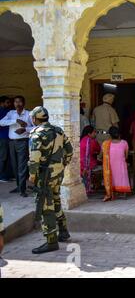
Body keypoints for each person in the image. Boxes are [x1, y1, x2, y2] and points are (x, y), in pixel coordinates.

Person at [28, 106, 73, 254]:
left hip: (44, 176)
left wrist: (32, 177)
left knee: (45, 207)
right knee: (56, 200)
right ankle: (64, 231)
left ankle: (51, 241)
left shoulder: (36, 134)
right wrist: (62, 165)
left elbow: (34, 158)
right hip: (57, 173)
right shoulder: (58, 130)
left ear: (35, 119)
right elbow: (69, 150)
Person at [0, 96, 34, 197]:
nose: (17, 104)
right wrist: (16, 120)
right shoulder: (11, 114)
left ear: (23, 103)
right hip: (12, 142)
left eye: (20, 102)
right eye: (15, 102)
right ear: (13, 103)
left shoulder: (28, 114)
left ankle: (23, 188)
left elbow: (35, 127)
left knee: (22, 166)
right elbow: (1, 122)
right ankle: (19, 186)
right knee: (14, 165)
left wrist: (25, 129)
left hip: (23, 142)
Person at [101, 126, 131, 202]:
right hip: (121, 166)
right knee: (122, 175)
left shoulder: (105, 144)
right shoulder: (124, 143)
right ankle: (123, 192)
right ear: (119, 134)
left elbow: (101, 155)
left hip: (110, 168)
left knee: (112, 176)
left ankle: (113, 191)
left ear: (110, 135)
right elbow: (126, 156)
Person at [80, 125, 101, 194]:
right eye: (94, 132)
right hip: (87, 164)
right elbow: (98, 150)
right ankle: (97, 185)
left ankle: (94, 185)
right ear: (89, 133)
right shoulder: (91, 141)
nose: (95, 134)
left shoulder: (82, 140)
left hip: (81, 163)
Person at [0, 96, 12, 182]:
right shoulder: (1, 111)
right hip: (2, 137)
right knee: (3, 157)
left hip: (7, 137)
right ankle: (1, 176)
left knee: (7, 157)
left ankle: (7, 175)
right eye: (7, 102)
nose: (9, 104)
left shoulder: (7, 111)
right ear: (2, 102)